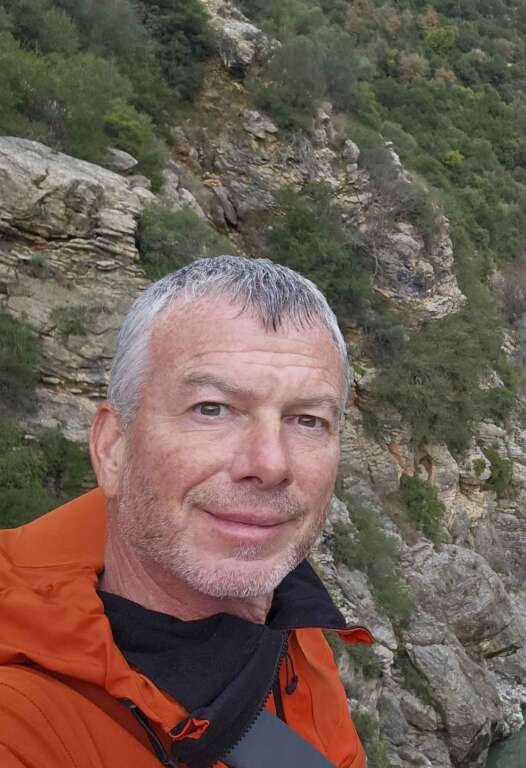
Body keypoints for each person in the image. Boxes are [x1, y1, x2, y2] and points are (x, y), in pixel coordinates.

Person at [0, 256, 373, 768]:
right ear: (113, 447)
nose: (269, 464)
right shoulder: (24, 721)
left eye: (307, 420)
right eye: (211, 409)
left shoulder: (288, 610)